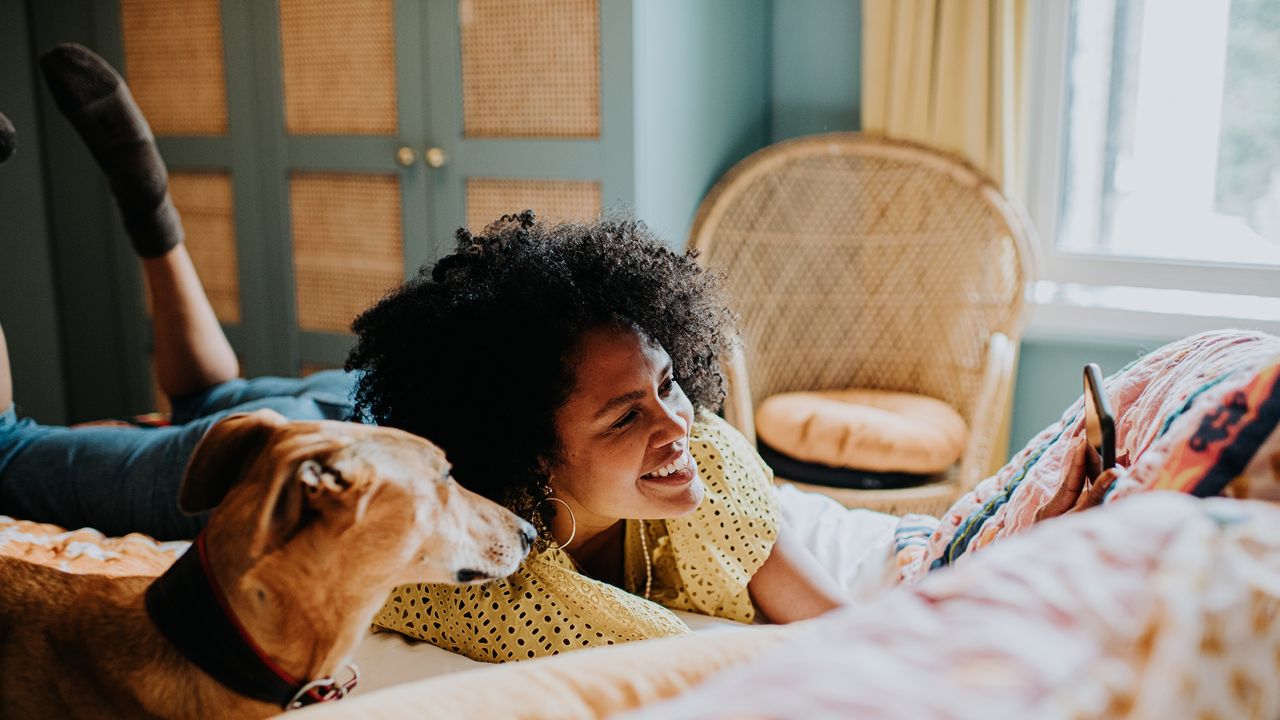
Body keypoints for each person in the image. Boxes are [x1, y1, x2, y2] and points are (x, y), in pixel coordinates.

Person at [0, 46, 1113, 661]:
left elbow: (836, 624)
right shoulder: (474, 585)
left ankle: (153, 222)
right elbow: (700, 665)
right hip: (343, 453)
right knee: (19, 453)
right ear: (530, 459)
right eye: (625, 416)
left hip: (418, 422)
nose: (678, 426)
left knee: (219, 391)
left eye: (667, 384)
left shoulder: (709, 466)